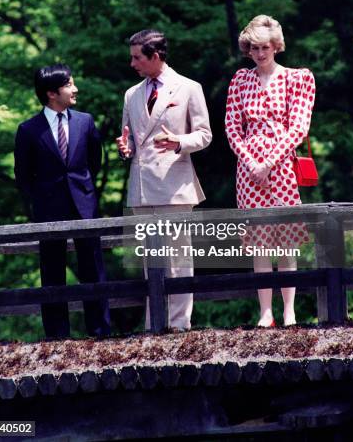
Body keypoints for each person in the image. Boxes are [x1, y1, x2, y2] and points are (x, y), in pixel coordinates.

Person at [116, 29, 212, 331]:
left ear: (155, 56)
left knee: (179, 259)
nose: (132, 64)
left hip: (175, 184)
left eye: (137, 57)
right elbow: (129, 139)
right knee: (151, 262)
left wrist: (179, 141)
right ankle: (154, 322)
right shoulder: (131, 94)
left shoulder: (188, 87)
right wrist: (125, 149)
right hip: (143, 187)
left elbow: (205, 135)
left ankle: (180, 324)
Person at [225, 15, 315, 327]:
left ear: (276, 46)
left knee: (286, 238)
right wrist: (251, 162)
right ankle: (266, 312)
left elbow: (299, 128)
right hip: (249, 167)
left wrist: (270, 162)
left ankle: (290, 310)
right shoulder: (240, 80)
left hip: (283, 164)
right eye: (253, 48)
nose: (260, 53)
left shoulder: (298, 78)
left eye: (264, 47)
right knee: (259, 240)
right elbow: (232, 128)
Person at [14, 64, 110, 340]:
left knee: (93, 266)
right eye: (69, 84)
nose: (75, 89)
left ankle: (100, 330)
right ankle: (57, 336)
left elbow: (94, 162)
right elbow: (23, 177)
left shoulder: (85, 121)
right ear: (52, 93)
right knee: (52, 269)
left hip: (85, 205)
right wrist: (44, 198)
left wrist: (84, 192)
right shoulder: (28, 130)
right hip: (48, 209)